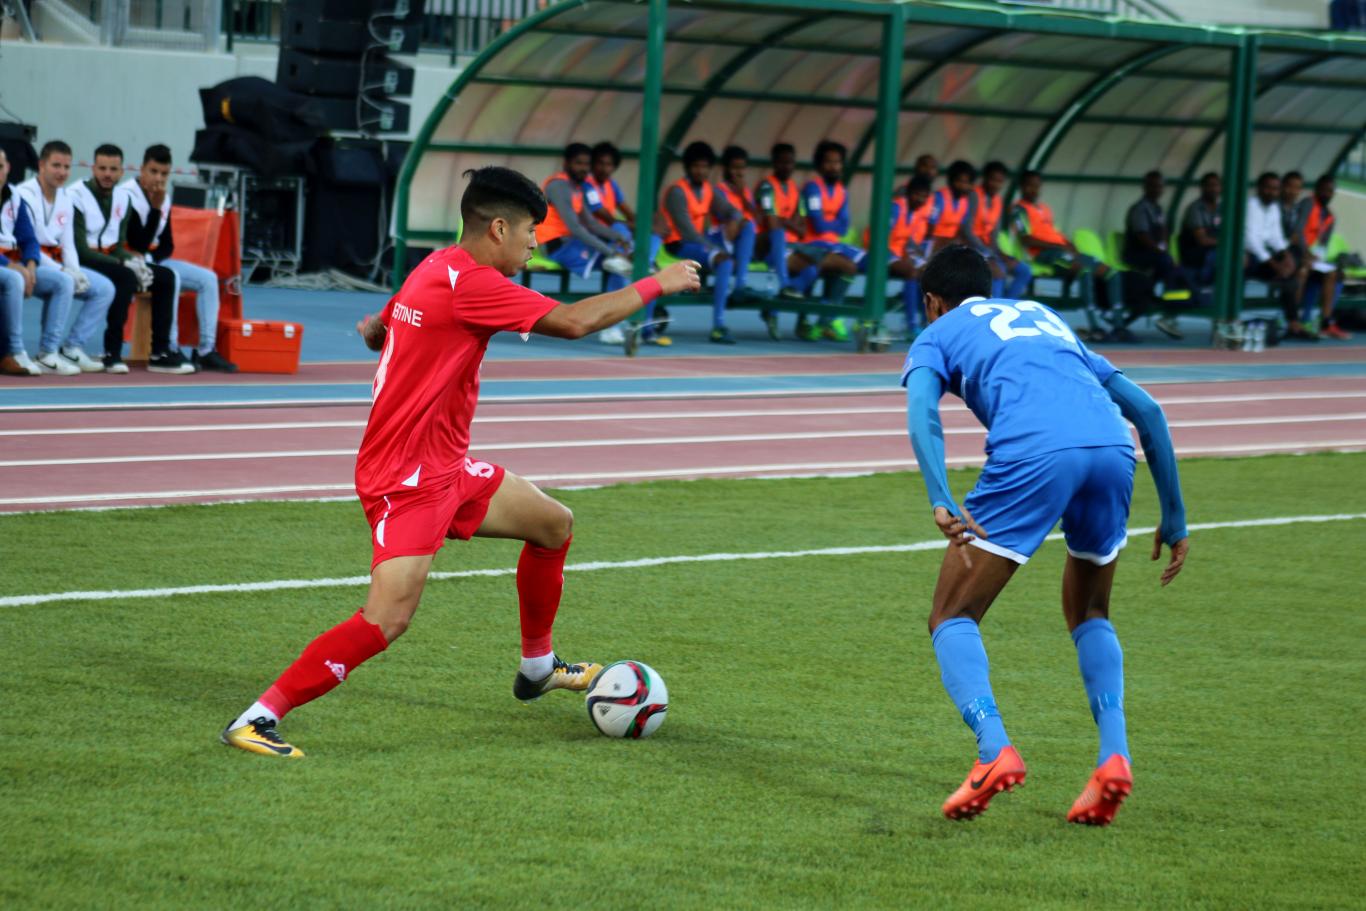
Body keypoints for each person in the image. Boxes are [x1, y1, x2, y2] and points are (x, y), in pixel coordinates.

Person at [221, 166, 702, 758]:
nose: (534, 244)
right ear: (498, 228)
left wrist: (379, 329)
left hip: (445, 465)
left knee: (553, 524)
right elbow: (577, 322)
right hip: (407, 478)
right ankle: (258, 717)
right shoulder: (474, 285)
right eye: (531, 232)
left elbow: (384, 324)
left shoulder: (435, 265)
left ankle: (537, 667)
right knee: (387, 619)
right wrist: (661, 281)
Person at [903, 244, 1189, 826]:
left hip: (1033, 454)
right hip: (1112, 450)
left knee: (951, 615)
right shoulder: (1044, 315)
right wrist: (1175, 518)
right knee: (1090, 612)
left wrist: (939, 495)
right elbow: (1150, 413)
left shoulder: (934, 334)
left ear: (932, 300)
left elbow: (922, 414)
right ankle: (1114, 759)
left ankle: (993, 751)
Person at [69, 144, 192, 374]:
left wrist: (134, 260)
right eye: (103, 168)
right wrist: (124, 262)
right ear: (93, 168)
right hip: (84, 259)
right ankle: (112, 353)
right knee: (125, 277)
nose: (108, 174)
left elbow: (120, 243)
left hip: (110, 257)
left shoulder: (121, 198)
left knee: (165, 277)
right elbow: (81, 249)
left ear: (122, 170)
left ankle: (160, 352)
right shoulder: (77, 194)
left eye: (113, 169)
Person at [122, 144, 238, 371]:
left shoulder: (163, 198)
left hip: (154, 259)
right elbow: (137, 243)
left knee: (208, 279)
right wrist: (154, 210)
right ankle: (171, 347)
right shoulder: (128, 196)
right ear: (142, 169)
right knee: (170, 277)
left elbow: (167, 244)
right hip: (131, 260)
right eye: (153, 171)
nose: (158, 178)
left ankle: (206, 350)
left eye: (164, 174)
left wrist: (155, 254)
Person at [16, 140, 116, 374]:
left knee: (104, 288)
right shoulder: (24, 194)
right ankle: (47, 352)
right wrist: (64, 272)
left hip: (55, 264)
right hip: (27, 262)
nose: (62, 172)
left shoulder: (65, 198)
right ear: (41, 165)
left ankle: (73, 347)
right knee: (64, 281)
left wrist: (75, 269)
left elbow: (68, 243)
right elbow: (28, 244)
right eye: (56, 165)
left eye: (66, 167)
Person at [535, 143, 634, 345]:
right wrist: (611, 252)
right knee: (617, 265)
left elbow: (590, 222)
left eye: (586, 164)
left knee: (619, 264)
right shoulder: (558, 186)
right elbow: (576, 228)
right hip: (555, 246)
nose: (583, 168)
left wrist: (619, 238)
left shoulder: (577, 188)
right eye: (578, 163)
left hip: (570, 243)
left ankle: (611, 324)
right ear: (566, 163)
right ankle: (610, 326)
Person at [661, 140, 756, 345]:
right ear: (687, 167)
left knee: (747, 226)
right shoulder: (677, 192)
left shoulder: (708, 189)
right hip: (680, 244)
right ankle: (718, 326)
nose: (701, 171)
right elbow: (687, 233)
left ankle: (740, 285)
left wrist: (735, 220)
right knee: (725, 261)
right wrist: (717, 249)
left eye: (705, 166)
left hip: (701, 241)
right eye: (696, 166)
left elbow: (730, 210)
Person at [1013, 170, 1120, 342]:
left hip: (1062, 251)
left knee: (1110, 272)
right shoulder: (1018, 209)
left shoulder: (1044, 209)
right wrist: (1059, 246)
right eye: (1030, 186)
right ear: (1022, 187)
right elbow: (1026, 239)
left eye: (1037, 186)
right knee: (1083, 270)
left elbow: (1054, 233)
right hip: (1045, 254)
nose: (1034, 189)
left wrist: (1071, 247)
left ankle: (1119, 325)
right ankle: (1095, 327)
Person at [585, 141, 669, 347]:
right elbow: (603, 215)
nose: (604, 168)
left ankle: (646, 328)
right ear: (593, 164)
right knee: (620, 251)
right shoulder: (588, 185)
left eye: (609, 165)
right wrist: (634, 226)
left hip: (619, 239)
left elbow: (627, 211)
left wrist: (644, 226)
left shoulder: (611, 185)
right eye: (600, 163)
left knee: (653, 239)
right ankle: (610, 328)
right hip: (597, 239)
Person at [1, 147, 75, 376]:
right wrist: (12, 266)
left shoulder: (14, 197)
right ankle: (14, 351)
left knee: (63, 281)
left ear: (8, 168)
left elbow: (29, 238)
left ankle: (48, 352)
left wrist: (31, 266)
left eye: (0, 166)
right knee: (14, 279)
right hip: (7, 267)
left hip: (16, 265)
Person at [788, 139, 863, 342]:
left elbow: (844, 225)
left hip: (832, 244)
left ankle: (827, 319)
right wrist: (833, 223)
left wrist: (830, 224)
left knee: (855, 264)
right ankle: (824, 318)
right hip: (812, 243)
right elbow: (819, 226)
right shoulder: (813, 188)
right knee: (847, 266)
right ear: (820, 165)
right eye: (829, 162)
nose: (834, 166)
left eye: (838, 162)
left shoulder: (841, 191)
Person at [1245, 171, 1313, 341]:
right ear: (1259, 188)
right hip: (1251, 257)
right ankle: (1231, 319)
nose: (1272, 192)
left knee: (1291, 277)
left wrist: (1286, 256)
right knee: (1282, 272)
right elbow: (1251, 240)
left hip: (1267, 256)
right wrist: (1275, 264)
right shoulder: (1250, 205)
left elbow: (1276, 237)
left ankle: (1293, 324)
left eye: (1275, 189)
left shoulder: (1274, 207)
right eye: (1268, 188)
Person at [1123, 171, 1189, 339]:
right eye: (1153, 186)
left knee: (1174, 265)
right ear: (1145, 187)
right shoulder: (1139, 209)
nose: (1157, 189)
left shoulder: (1158, 209)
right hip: (1137, 254)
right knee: (1166, 263)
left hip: (1154, 254)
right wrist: (1161, 251)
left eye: (1159, 186)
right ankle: (1168, 309)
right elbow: (1142, 235)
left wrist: (1164, 250)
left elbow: (1164, 233)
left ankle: (1170, 307)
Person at [753, 141, 807, 338]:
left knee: (811, 270)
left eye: (790, 162)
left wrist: (784, 220)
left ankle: (773, 308)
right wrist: (787, 222)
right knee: (778, 234)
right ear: (774, 163)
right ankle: (783, 287)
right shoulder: (767, 186)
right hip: (768, 247)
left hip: (793, 246)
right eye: (783, 162)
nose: (787, 167)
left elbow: (803, 228)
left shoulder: (795, 189)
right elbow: (772, 224)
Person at [1297, 175, 1352, 340]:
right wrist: (1306, 254)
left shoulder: (1330, 216)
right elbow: (1297, 232)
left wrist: (1318, 259)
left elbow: (1323, 245)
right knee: (1303, 271)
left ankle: (1326, 322)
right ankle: (1296, 319)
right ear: (1317, 189)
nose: (1328, 194)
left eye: (1331, 191)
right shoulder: (1307, 204)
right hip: (1298, 253)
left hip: (1313, 259)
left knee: (1334, 274)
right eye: (1325, 190)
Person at [879, 174, 933, 337]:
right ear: (908, 193)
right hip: (883, 253)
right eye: (917, 194)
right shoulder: (896, 207)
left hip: (899, 253)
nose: (920, 199)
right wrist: (905, 257)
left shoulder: (915, 213)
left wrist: (919, 255)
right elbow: (882, 237)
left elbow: (908, 241)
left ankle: (929, 322)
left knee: (929, 271)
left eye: (924, 196)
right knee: (911, 271)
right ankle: (911, 325)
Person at [972, 162, 1031, 300]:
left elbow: (994, 233)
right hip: (972, 246)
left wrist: (1000, 254)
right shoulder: (974, 196)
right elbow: (967, 230)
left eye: (1000, 181)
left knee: (1024, 270)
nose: (996, 184)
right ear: (985, 178)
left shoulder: (998, 200)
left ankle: (1008, 306)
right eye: (993, 179)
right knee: (999, 271)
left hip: (988, 249)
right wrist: (987, 253)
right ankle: (996, 311)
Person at [1178, 172, 1221, 288]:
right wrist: (1223, 243)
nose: (1213, 189)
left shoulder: (1222, 208)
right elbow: (1202, 240)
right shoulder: (1195, 208)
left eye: (1216, 185)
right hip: (1195, 253)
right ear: (1202, 188)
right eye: (1209, 185)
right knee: (1219, 255)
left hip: (1212, 251)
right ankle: (1204, 285)